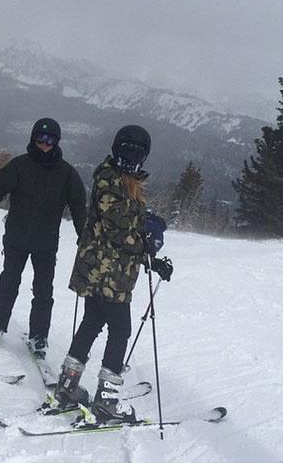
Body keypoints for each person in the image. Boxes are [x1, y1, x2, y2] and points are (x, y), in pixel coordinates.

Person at [52, 124, 172, 424]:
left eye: (137, 152)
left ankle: (68, 386)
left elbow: (129, 222)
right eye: (127, 150)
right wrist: (146, 243)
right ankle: (106, 400)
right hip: (107, 274)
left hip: (105, 271)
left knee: (92, 322)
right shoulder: (109, 179)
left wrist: (151, 249)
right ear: (118, 149)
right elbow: (118, 229)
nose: (131, 156)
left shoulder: (122, 180)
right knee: (120, 331)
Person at [0, 118, 87, 359]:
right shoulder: (19, 166)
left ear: (56, 142)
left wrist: (84, 237)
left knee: (43, 290)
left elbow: (79, 206)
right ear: (33, 139)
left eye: (49, 140)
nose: (44, 144)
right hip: (16, 238)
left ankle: (39, 336)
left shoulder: (66, 173)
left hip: (45, 243)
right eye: (40, 138)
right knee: (9, 282)